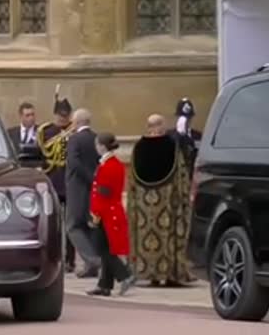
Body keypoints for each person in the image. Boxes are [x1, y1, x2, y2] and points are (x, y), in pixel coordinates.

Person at [127, 114, 196, 286]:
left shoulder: (138, 148)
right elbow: (182, 178)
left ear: (148, 127)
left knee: (146, 236)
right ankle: (172, 274)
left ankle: (152, 275)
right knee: (168, 234)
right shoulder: (172, 147)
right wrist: (184, 200)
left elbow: (132, 182)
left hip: (144, 204)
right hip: (166, 203)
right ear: (163, 126)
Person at [86, 132, 135, 297]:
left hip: (107, 214)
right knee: (107, 248)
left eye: (97, 145)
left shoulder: (108, 166)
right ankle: (104, 285)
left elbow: (103, 194)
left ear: (102, 146)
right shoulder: (112, 163)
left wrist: (95, 215)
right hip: (110, 212)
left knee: (104, 249)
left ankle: (125, 275)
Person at [36, 90, 76, 273]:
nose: (62, 118)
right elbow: (41, 155)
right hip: (52, 178)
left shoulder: (74, 131)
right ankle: (53, 257)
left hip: (69, 180)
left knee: (70, 224)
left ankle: (70, 259)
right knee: (51, 223)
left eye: (65, 115)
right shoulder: (46, 131)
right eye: (60, 115)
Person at [65, 108, 101, 278]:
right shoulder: (96, 138)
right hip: (93, 189)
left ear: (77, 122)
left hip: (77, 188)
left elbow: (73, 162)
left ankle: (92, 260)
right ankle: (91, 266)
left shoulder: (74, 139)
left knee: (72, 226)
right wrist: (94, 179)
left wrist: (88, 177)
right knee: (90, 225)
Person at [168, 98, 202, 178]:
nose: (186, 121)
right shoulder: (169, 136)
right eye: (182, 118)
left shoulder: (198, 136)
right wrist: (179, 134)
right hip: (177, 178)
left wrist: (187, 138)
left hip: (193, 176)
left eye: (188, 118)